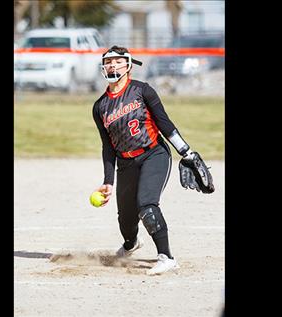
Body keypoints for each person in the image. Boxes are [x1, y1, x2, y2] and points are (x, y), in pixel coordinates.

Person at [91, 45, 213, 276]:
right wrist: (108, 180)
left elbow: (164, 123)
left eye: (118, 61)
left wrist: (186, 152)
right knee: (126, 220)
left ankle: (166, 257)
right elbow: (108, 146)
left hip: (153, 154)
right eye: (108, 62)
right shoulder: (100, 107)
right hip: (125, 163)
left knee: (146, 205)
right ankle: (131, 244)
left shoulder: (142, 90)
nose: (112, 65)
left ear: (128, 65)